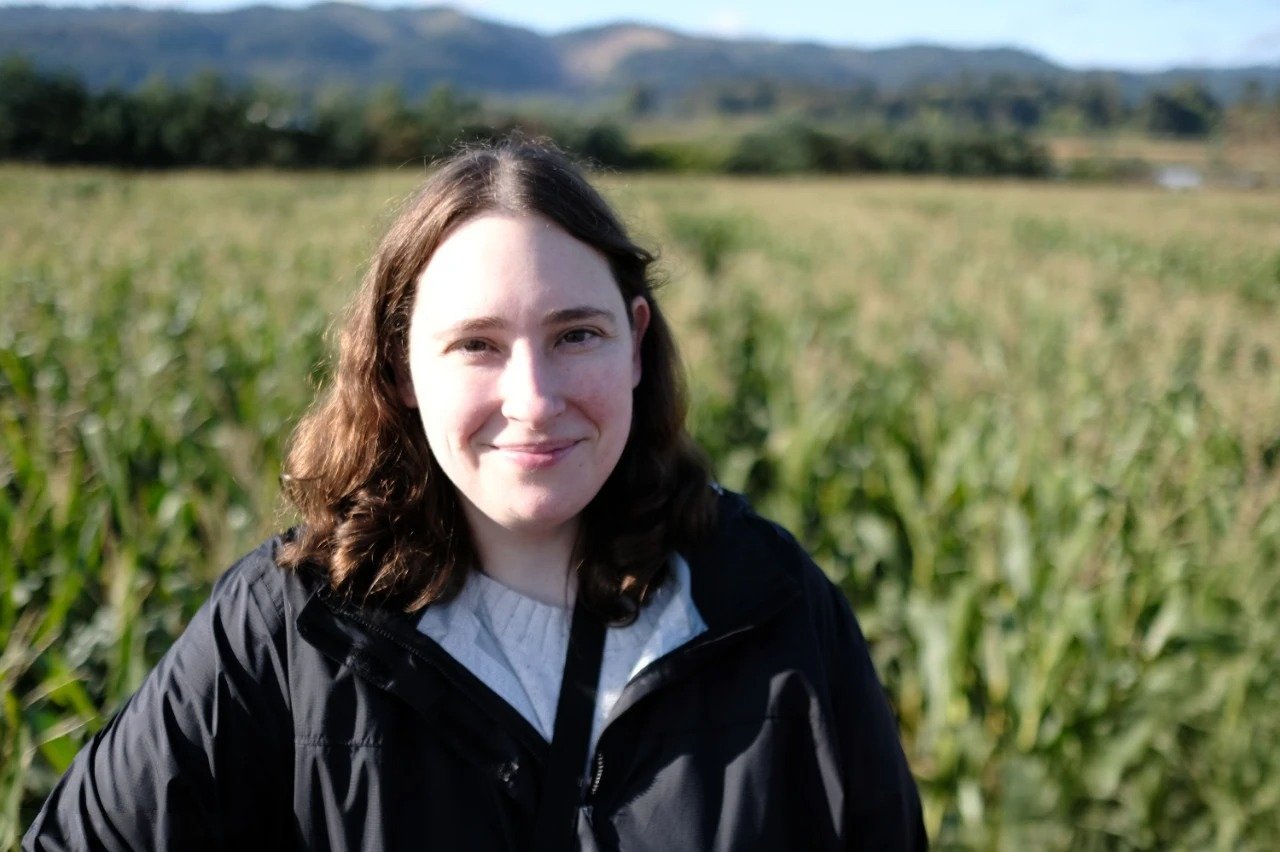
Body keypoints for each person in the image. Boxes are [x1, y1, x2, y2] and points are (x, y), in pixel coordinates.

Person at [25, 139, 926, 851]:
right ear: (401, 366)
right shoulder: (287, 635)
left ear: (637, 342)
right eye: (477, 345)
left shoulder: (769, 610)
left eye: (576, 335)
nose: (533, 399)